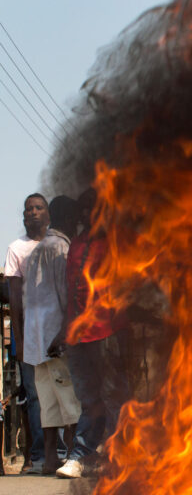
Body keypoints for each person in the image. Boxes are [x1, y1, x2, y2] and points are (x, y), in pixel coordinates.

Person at [50, 189, 132, 479]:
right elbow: (71, 291)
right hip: (78, 338)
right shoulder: (76, 244)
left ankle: (114, 456)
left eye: (93, 209)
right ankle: (83, 457)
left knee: (113, 398)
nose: (87, 216)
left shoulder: (117, 242)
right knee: (89, 400)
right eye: (84, 210)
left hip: (107, 332)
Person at [23, 196, 82, 474]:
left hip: (37, 344)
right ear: (69, 220)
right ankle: (74, 458)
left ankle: (49, 460)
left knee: (48, 407)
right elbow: (66, 294)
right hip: (56, 341)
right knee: (70, 402)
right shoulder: (61, 247)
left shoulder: (37, 249)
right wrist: (65, 333)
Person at [4, 193, 49, 473]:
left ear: (48, 214)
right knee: (34, 397)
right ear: (23, 216)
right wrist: (19, 340)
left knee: (63, 394)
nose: (33, 212)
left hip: (57, 334)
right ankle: (39, 456)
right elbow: (15, 300)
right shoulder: (16, 249)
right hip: (30, 334)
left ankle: (67, 454)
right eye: (28, 209)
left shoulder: (59, 245)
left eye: (38, 207)